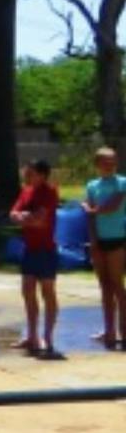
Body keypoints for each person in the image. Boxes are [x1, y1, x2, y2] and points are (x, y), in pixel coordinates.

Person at [10, 160, 62, 358]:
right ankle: (32, 335)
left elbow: (41, 220)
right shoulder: (26, 191)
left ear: (42, 175)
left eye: (30, 172)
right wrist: (24, 217)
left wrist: (24, 218)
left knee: (47, 291)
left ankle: (48, 336)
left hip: (46, 249)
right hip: (29, 248)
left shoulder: (50, 192)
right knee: (28, 290)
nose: (26, 175)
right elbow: (13, 213)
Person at [84, 147, 125, 350]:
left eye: (113, 161)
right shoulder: (92, 185)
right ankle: (109, 330)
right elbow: (91, 216)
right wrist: (93, 241)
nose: (110, 165)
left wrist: (91, 209)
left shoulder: (123, 183)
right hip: (100, 239)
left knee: (117, 285)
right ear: (97, 164)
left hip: (118, 237)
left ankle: (124, 329)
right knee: (105, 286)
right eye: (106, 162)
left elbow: (112, 206)